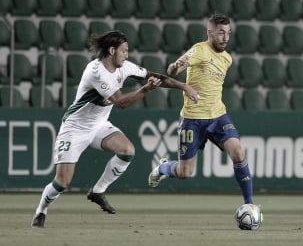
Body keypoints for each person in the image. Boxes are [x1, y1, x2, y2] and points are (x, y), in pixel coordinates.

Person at [31, 31, 199, 228]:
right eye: (124, 51)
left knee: (127, 150)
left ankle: (97, 190)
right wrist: (145, 89)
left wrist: (183, 86)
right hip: (75, 129)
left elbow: (155, 76)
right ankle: (41, 210)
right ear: (112, 50)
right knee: (62, 182)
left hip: (99, 126)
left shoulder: (124, 67)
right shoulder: (96, 72)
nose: (127, 55)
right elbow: (120, 102)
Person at [148, 13, 255, 206]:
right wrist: (175, 66)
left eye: (228, 33)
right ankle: (163, 168)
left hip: (218, 116)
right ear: (210, 33)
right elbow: (172, 70)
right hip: (193, 119)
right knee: (184, 173)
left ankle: (249, 204)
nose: (225, 37)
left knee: (238, 153)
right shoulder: (199, 50)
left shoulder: (227, 59)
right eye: (221, 32)